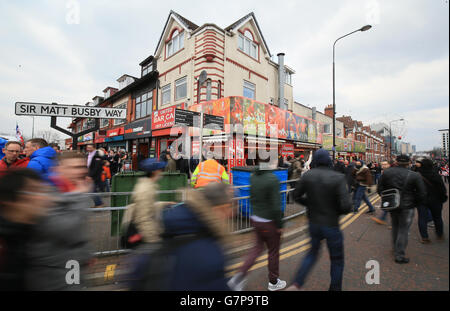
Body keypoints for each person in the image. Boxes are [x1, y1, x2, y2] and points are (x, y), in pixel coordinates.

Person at [286, 149, 353, 291]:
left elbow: (295, 195)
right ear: (329, 160)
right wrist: (336, 210)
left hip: (314, 223)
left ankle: (296, 284)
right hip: (331, 224)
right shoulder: (338, 177)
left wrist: (309, 204)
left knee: (311, 254)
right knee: (337, 260)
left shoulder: (308, 175)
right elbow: (347, 206)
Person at [26, 151, 93, 290]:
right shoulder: (46, 193)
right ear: (58, 169)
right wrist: (80, 196)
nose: (81, 171)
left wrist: (85, 254)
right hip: (52, 268)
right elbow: (64, 228)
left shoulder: (73, 190)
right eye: (74, 167)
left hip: (72, 263)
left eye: (82, 166)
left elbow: (78, 232)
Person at [227, 157, 286, 291]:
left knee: (256, 249)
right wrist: (280, 224)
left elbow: (252, 197)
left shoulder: (253, 176)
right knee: (273, 252)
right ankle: (273, 282)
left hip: (255, 218)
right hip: (269, 222)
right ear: (271, 164)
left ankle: (238, 278)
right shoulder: (272, 179)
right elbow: (276, 207)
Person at [0, 169, 52, 290]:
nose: (43, 197)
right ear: (12, 201)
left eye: (42, 190)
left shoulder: (35, 234)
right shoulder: (4, 246)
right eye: (34, 191)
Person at [377, 154, 426, 264]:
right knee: (404, 229)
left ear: (396, 162)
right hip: (407, 206)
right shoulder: (415, 175)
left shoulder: (387, 172)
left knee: (395, 226)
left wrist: (387, 199)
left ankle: (395, 248)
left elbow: (380, 189)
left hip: (393, 204)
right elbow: (422, 193)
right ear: (409, 163)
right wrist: (415, 203)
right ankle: (399, 255)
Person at [415, 158, 447, 243]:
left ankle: (424, 237)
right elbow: (442, 189)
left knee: (422, 218)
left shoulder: (417, 175)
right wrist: (443, 198)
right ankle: (439, 234)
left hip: (421, 200)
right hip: (436, 200)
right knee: (437, 218)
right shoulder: (435, 175)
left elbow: (413, 188)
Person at [371, 160, 391, 225]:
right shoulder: (384, 172)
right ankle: (382, 219)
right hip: (385, 192)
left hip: (389, 192)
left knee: (389, 206)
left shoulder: (390, 172)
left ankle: (383, 219)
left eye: (385, 164)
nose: (383, 166)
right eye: (382, 164)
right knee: (388, 206)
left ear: (389, 165)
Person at [86, 143, 105, 208]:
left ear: (93, 147)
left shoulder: (97, 154)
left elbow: (96, 167)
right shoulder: (89, 154)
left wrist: (90, 176)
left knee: (92, 190)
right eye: (87, 147)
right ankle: (98, 203)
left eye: (89, 147)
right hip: (90, 174)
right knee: (93, 190)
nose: (87, 149)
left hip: (94, 175)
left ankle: (99, 203)